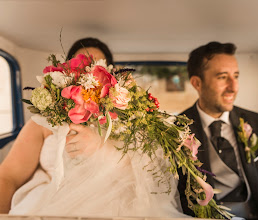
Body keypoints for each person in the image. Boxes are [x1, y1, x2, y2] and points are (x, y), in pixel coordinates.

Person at [0, 39, 186, 217]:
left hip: (115, 203)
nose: (88, 74)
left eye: (97, 67)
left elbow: (150, 172)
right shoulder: (42, 122)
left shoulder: (130, 118)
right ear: (65, 73)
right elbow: (7, 177)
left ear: (110, 76)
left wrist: (102, 148)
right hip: (49, 202)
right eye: (81, 67)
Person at [177, 41, 258, 220]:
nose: (234, 87)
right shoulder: (176, 130)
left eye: (236, 76)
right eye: (222, 77)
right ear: (197, 83)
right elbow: (179, 196)